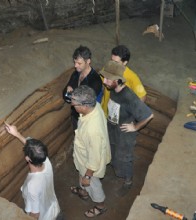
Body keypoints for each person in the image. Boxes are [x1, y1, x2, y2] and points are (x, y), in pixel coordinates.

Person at [99, 60, 153, 197]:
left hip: (124, 135)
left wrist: (135, 127)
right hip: (113, 130)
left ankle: (128, 182)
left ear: (118, 80)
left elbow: (149, 115)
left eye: (108, 79)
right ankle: (117, 169)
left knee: (125, 158)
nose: (104, 81)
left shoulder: (129, 97)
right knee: (113, 152)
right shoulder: (113, 89)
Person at [69, 85, 111, 218]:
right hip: (84, 159)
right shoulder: (95, 106)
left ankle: (100, 206)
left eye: (74, 103)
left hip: (90, 166)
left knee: (94, 186)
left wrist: (88, 176)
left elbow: (94, 158)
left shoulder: (93, 130)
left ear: (85, 105)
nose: (72, 105)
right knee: (82, 177)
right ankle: (83, 192)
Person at [4, 122, 60, 220]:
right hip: (53, 206)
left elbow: (35, 215)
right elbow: (33, 148)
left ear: (27, 159)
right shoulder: (45, 160)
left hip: (44, 216)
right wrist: (16, 133)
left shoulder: (32, 185)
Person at [63, 45, 103, 130]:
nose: (75, 66)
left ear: (88, 61)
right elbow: (65, 94)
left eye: (79, 63)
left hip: (88, 120)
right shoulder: (76, 74)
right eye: (75, 62)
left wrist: (71, 95)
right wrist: (70, 95)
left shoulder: (95, 80)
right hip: (75, 116)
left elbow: (87, 103)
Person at [101, 45, 147, 116]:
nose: (112, 64)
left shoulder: (132, 77)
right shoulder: (107, 68)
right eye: (111, 60)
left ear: (125, 62)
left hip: (118, 117)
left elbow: (142, 96)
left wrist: (132, 114)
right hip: (104, 112)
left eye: (116, 62)